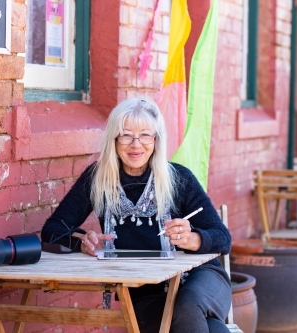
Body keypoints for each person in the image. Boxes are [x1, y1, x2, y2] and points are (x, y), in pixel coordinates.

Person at [41, 97, 232, 333]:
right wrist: (80, 241)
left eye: (145, 135)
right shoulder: (98, 179)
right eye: (126, 134)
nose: (135, 144)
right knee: (211, 328)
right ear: (114, 138)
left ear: (156, 139)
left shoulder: (179, 178)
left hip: (202, 280)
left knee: (187, 306)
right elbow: (52, 230)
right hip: (145, 292)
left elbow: (223, 238)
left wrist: (193, 238)